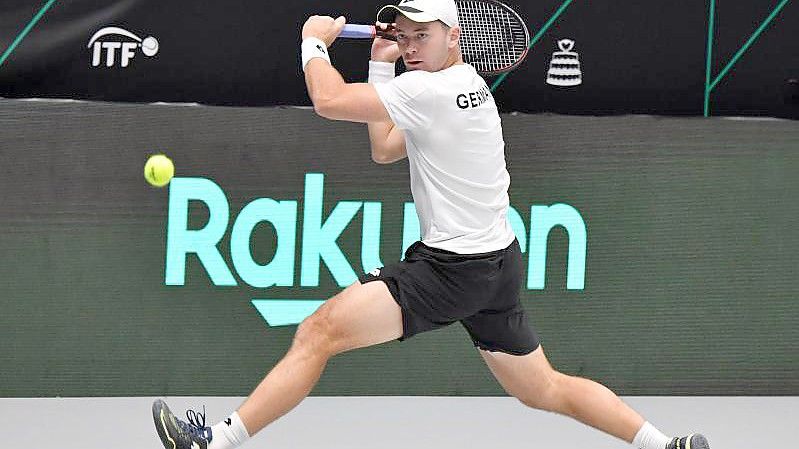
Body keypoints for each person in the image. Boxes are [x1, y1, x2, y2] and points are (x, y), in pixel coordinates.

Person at [152, 1, 710, 449]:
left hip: (451, 269)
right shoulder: (464, 85)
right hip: (497, 265)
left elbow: (327, 99)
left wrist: (313, 41)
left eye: (425, 35)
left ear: (456, 36)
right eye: (406, 35)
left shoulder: (429, 91)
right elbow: (386, 150)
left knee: (318, 333)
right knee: (544, 389)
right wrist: (378, 62)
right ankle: (665, 446)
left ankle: (215, 441)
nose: (413, 46)